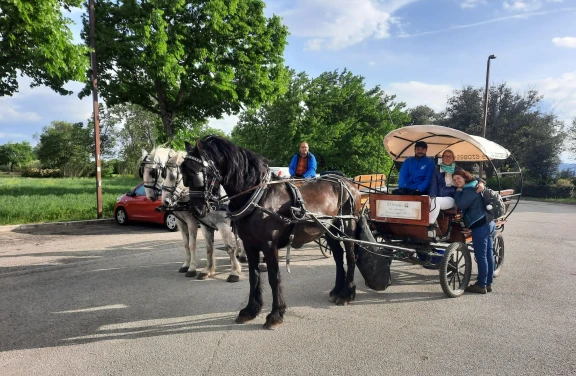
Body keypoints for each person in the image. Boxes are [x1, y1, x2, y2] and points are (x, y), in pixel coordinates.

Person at [453, 169, 495, 294]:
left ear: (465, 177)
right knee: (488, 254)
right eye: (454, 180)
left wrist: (458, 191)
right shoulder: (474, 184)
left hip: (480, 224)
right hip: (488, 222)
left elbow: (461, 204)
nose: (456, 181)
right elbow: (478, 179)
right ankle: (488, 283)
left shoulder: (469, 190)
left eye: (458, 178)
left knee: (481, 255)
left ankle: (481, 285)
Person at [428, 149, 484, 226]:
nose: (447, 158)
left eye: (450, 156)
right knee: (424, 199)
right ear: (442, 158)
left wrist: (481, 183)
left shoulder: (458, 170)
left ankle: (430, 224)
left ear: (453, 158)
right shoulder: (437, 171)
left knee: (435, 201)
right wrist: (432, 196)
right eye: (445, 156)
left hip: (453, 197)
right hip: (439, 197)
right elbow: (433, 186)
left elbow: (472, 177)